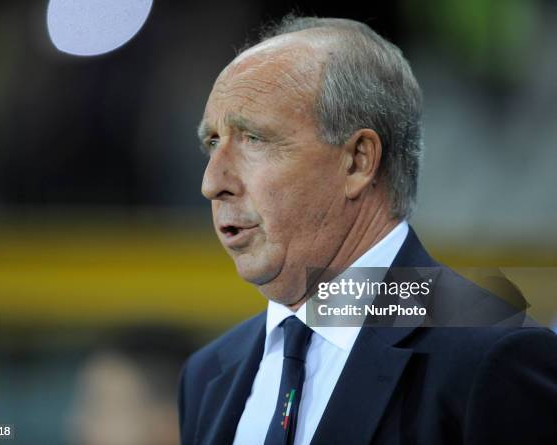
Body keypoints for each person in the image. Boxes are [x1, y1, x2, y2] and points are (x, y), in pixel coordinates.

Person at [178, 15, 557, 445]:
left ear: (357, 161)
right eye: (212, 142)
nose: (212, 182)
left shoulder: (494, 356)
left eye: (253, 140)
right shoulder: (208, 374)